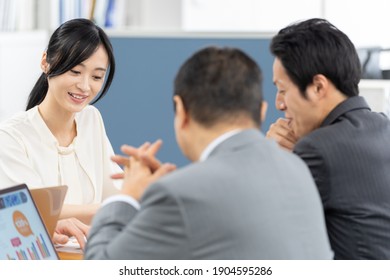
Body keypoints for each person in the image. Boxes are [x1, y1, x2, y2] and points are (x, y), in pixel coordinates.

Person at [84, 46, 333, 260]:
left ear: (181, 110)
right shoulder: (298, 168)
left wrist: (126, 196)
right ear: (261, 111)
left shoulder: (183, 194)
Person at [266, 18, 390, 259]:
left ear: (318, 87)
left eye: (283, 90)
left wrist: (275, 160)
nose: (279, 104)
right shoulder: (384, 126)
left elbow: (264, 233)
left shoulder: (317, 149)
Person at [0, 18, 122, 224]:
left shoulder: (91, 119)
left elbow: (115, 192)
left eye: (96, 77)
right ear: (45, 62)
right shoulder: (12, 136)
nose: (84, 86)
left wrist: (141, 182)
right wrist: (102, 210)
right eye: (75, 71)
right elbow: (25, 212)